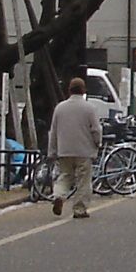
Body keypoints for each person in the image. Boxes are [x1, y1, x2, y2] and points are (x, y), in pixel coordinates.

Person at [46, 77, 102, 219]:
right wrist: (97, 143)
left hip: (64, 149)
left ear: (69, 90)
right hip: (84, 150)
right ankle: (79, 209)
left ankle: (58, 195)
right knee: (83, 180)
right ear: (83, 90)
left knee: (65, 176)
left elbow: (53, 131)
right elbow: (96, 129)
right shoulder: (90, 108)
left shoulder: (60, 107)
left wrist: (52, 151)